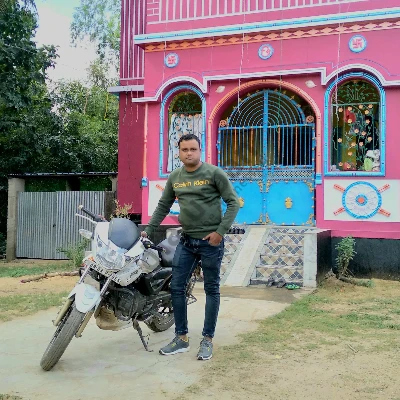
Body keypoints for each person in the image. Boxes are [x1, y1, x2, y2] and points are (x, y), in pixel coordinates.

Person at [142, 133, 239, 360]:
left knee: (211, 289)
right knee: (176, 287)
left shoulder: (214, 173)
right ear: (178, 153)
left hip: (210, 243)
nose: (189, 153)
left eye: (193, 149)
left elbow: (233, 202)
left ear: (199, 150)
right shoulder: (175, 177)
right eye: (184, 150)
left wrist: (220, 232)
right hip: (185, 241)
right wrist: (149, 229)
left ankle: (207, 339)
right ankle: (181, 338)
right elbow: (164, 204)